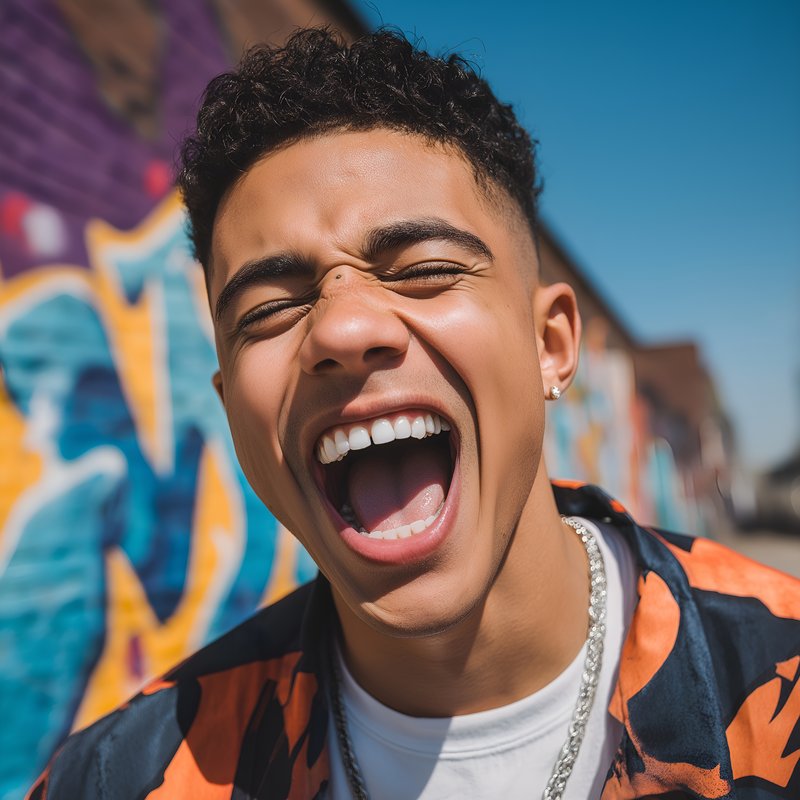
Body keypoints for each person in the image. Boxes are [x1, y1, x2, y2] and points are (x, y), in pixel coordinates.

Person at [28, 28, 800, 800]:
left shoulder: (781, 666)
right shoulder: (118, 778)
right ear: (232, 408)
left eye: (425, 269)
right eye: (269, 309)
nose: (342, 329)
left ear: (550, 344)